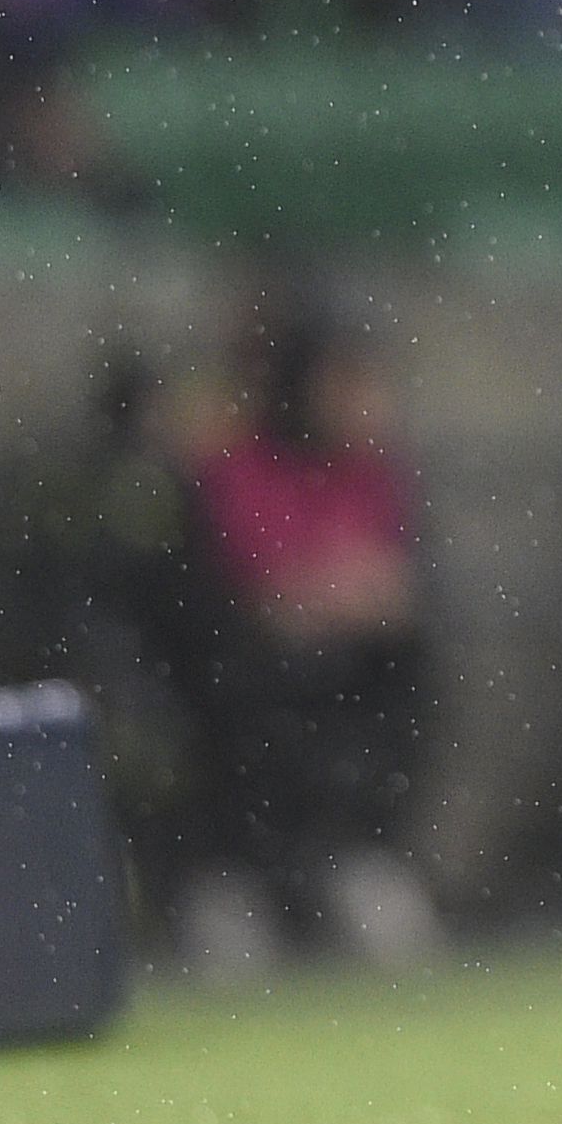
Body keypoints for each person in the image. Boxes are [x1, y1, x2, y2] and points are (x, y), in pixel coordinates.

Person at [179, 284, 438, 970]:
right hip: (250, 681)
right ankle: (239, 879)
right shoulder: (239, 467)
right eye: (346, 380)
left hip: (352, 679)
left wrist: (331, 598)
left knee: (407, 670)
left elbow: (393, 588)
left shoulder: (371, 470)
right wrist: (324, 596)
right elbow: (250, 593)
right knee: (249, 688)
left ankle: (360, 854)